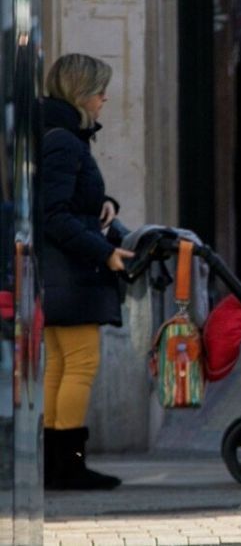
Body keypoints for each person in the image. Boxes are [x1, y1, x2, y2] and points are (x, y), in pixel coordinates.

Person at [40, 53, 133, 491]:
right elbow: (54, 213)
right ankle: (68, 465)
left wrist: (105, 201)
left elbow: (68, 197)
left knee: (59, 364)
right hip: (70, 272)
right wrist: (105, 252)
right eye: (99, 91)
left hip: (57, 271)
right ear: (81, 94)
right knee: (79, 363)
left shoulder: (55, 134)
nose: (105, 99)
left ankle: (55, 464)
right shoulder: (64, 139)